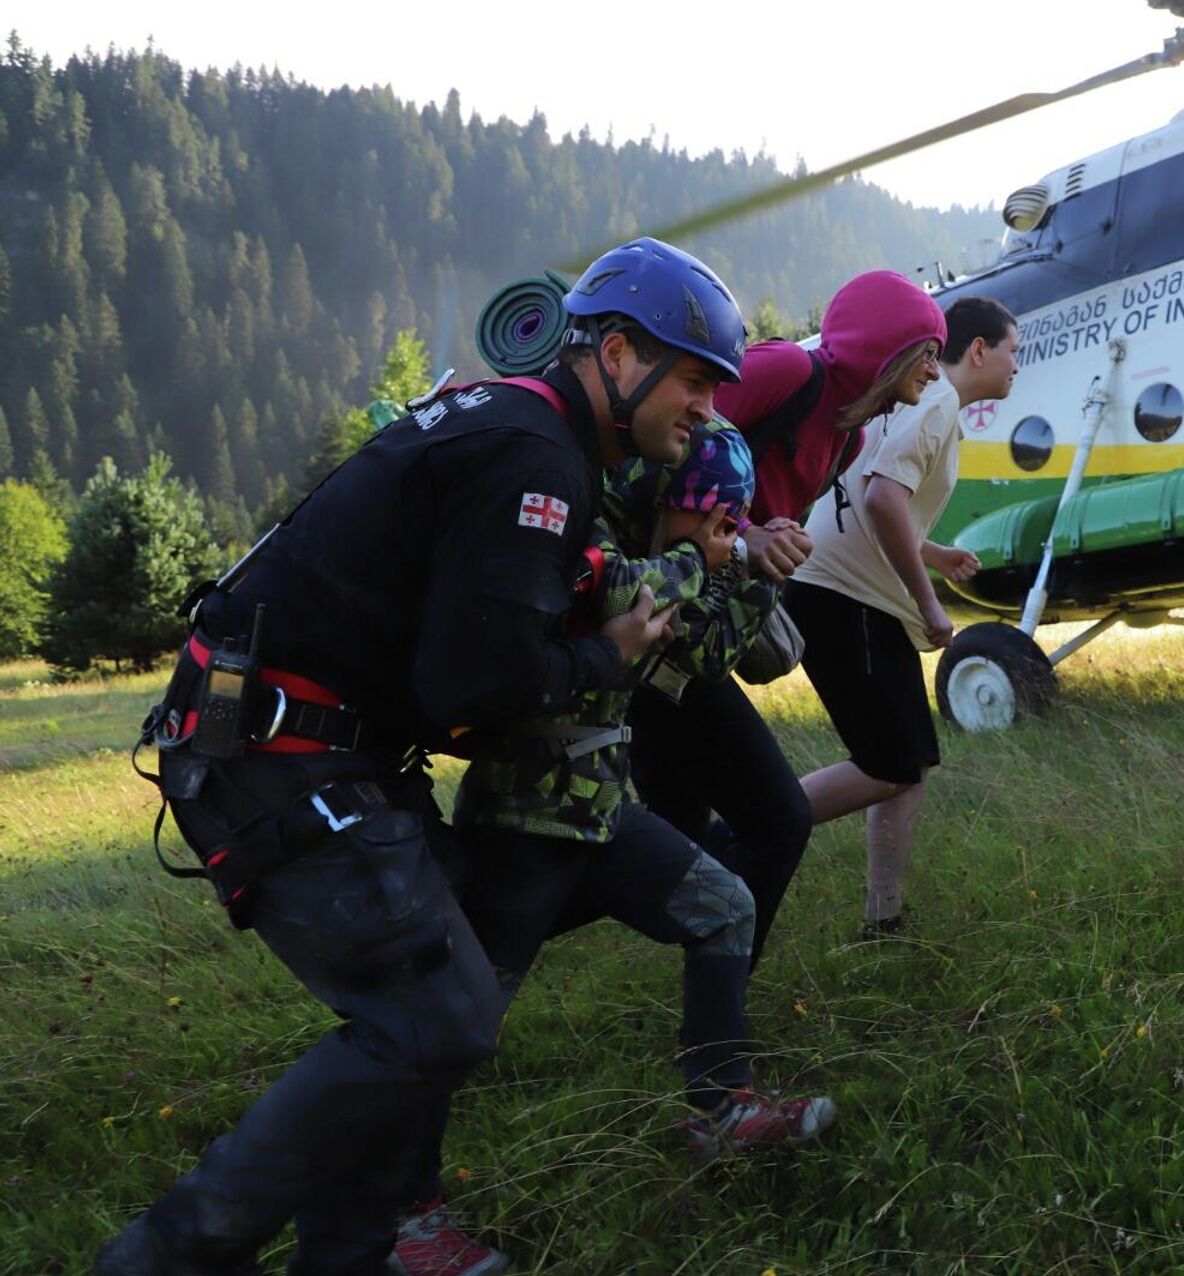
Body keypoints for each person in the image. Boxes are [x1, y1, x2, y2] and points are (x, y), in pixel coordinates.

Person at [99, 236, 739, 1276]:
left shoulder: (519, 424)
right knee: (435, 1013)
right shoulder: (538, 457)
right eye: (699, 377)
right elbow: (473, 686)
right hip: (279, 756)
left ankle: (347, 1257)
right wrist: (608, 651)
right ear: (618, 356)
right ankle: (169, 1256)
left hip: (304, 744)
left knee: (419, 1010)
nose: (709, 407)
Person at [390, 424, 832, 1276]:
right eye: (705, 514)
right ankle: (405, 1221)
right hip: (525, 821)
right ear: (659, 496)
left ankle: (718, 1110)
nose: (715, 529)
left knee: (723, 905)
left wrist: (750, 574)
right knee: (456, 1020)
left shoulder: (674, 550)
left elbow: (699, 651)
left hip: (597, 815)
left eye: (725, 517)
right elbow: (616, 594)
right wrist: (714, 555)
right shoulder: (585, 526)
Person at [627, 269, 948, 963]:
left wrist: (772, 540)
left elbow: (762, 502)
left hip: (699, 630)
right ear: (884, 347)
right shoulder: (786, 370)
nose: (934, 366)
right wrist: (747, 534)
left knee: (671, 840)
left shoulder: (849, 439)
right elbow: (675, 444)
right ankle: (718, 1007)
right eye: (925, 347)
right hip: (655, 611)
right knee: (766, 821)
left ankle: (705, 979)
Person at [782, 297, 1018, 935]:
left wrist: (933, 553)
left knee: (908, 763)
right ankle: (750, 824)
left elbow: (870, 494)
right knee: (888, 763)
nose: (1016, 364)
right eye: (1012, 350)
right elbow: (886, 497)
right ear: (976, 350)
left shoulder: (912, 398)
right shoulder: (935, 400)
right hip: (845, 598)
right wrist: (929, 602)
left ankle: (883, 918)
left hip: (843, 594)